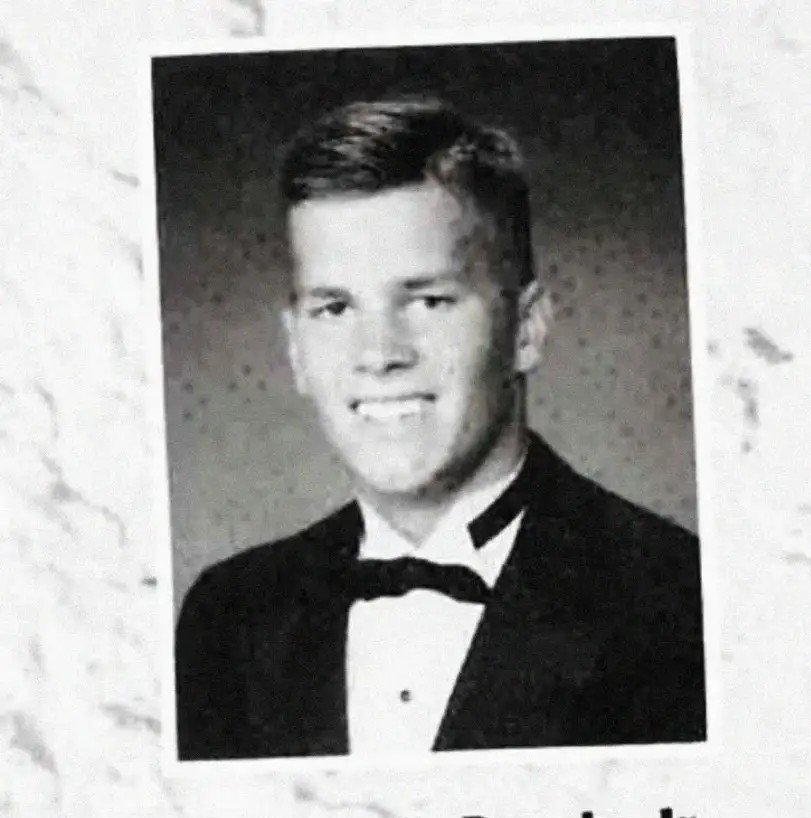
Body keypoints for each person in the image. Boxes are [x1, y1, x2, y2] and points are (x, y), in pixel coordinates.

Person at [175, 96, 705, 760]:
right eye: (335, 307)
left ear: (526, 330)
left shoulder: (681, 603)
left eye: (427, 301)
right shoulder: (227, 617)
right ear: (294, 347)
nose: (379, 353)